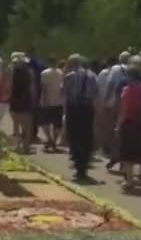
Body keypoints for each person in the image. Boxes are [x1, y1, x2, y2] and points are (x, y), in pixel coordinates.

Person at [116, 63, 141, 190]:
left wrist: (118, 124)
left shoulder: (127, 90)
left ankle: (130, 181)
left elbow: (124, 109)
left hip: (129, 123)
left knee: (127, 154)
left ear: (130, 76)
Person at [62, 54, 98, 182]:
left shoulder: (69, 76)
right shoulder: (93, 76)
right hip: (87, 108)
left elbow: (64, 93)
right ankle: (84, 166)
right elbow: (96, 94)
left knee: (74, 137)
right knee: (86, 137)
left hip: (74, 107)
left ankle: (78, 166)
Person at [99, 51, 130, 168]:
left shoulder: (115, 69)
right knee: (125, 131)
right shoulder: (133, 69)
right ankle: (123, 159)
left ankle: (114, 155)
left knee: (113, 131)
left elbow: (110, 84)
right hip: (128, 103)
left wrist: (105, 100)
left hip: (114, 103)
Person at [8, 53, 37, 154]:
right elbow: (32, 87)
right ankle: (26, 146)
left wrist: (9, 98)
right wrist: (34, 100)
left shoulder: (12, 72)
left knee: (16, 123)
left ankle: (18, 146)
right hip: (26, 99)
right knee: (27, 125)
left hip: (15, 99)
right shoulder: (30, 72)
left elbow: (10, 86)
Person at [39, 57, 65, 153]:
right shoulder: (61, 73)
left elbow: (44, 87)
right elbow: (63, 87)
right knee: (57, 123)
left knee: (45, 122)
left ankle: (49, 138)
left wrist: (44, 99)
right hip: (58, 101)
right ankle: (54, 140)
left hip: (47, 101)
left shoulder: (44, 73)